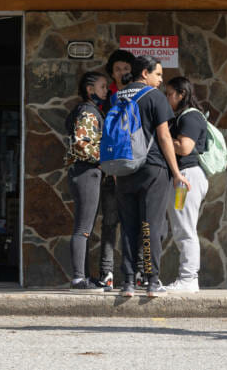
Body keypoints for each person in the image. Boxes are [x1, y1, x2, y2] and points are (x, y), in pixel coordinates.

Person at [114, 56, 190, 298]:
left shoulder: (119, 95)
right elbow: (164, 137)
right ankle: (151, 280)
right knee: (150, 225)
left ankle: (127, 282)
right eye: (158, 74)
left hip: (124, 168)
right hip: (152, 167)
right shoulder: (154, 96)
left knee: (128, 226)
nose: (160, 80)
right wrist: (176, 172)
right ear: (145, 73)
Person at [95, 49, 136, 291]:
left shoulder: (140, 96)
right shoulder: (105, 98)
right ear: (112, 73)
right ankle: (106, 272)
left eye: (126, 69)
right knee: (109, 222)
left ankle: (138, 272)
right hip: (111, 169)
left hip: (135, 168)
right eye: (118, 69)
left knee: (136, 223)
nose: (122, 73)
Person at [64, 71, 109, 291]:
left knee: (86, 228)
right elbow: (82, 144)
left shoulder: (86, 110)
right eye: (102, 87)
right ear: (90, 90)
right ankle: (78, 279)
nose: (106, 91)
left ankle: (84, 277)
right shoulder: (89, 112)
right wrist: (103, 161)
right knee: (83, 228)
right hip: (86, 173)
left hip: (83, 172)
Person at [164, 76, 209, 293]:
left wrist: (163, 139)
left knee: (185, 228)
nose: (167, 98)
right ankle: (188, 277)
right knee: (182, 227)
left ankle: (189, 278)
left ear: (181, 94)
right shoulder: (182, 117)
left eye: (170, 94)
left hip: (186, 178)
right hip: (184, 177)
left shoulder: (190, 117)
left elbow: (184, 148)